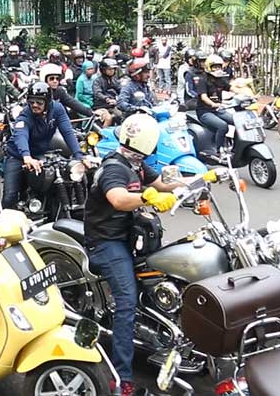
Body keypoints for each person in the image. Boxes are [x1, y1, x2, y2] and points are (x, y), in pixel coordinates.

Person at [84, 113, 194, 396]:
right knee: (126, 302)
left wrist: (198, 182)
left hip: (130, 236)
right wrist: (147, 197)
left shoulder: (136, 163)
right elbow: (119, 199)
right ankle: (122, 378)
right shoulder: (114, 168)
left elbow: (162, 185)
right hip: (107, 241)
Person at [2, 82, 87, 209]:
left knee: (61, 179)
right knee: (10, 197)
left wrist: (79, 155)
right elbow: (21, 135)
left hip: (41, 153)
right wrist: (26, 156)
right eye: (31, 102)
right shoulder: (26, 114)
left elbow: (67, 131)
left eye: (39, 102)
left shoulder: (57, 109)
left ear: (47, 102)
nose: (35, 105)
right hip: (18, 155)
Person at [196, 54, 233, 157]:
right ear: (209, 67)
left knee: (237, 120)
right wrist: (213, 104)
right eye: (215, 67)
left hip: (218, 109)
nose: (217, 69)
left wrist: (247, 94)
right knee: (222, 126)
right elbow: (203, 97)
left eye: (219, 67)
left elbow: (231, 88)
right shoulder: (202, 79)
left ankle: (234, 147)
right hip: (205, 111)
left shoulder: (221, 80)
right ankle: (218, 151)